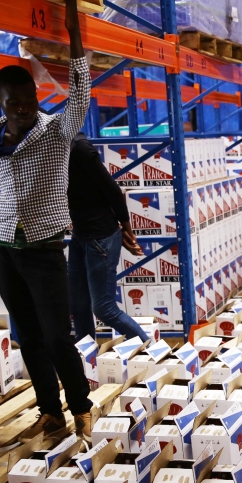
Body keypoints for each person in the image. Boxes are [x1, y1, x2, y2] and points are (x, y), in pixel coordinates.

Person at [0, 0, 95, 439]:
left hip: (44, 248)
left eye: (29, 98)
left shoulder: (56, 131)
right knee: (28, 336)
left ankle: (81, 409)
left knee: (58, 336)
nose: (23, 106)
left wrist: (74, 30)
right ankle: (51, 411)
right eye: (14, 101)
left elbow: (79, 92)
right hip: (5, 250)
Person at [66, 132, 150, 343]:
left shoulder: (79, 147)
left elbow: (112, 189)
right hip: (80, 235)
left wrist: (126, 229)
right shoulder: (45, 151)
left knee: (104, 308)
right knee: (77, 305)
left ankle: (153, 354)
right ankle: (87, 364)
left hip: (100, 236)